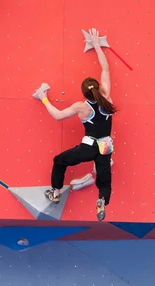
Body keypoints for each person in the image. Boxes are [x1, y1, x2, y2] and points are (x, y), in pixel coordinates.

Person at [33, 28, 116, 221]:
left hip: (88, 147)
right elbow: (105, 69)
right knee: (104, 176)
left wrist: (44, 99)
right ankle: (102, 200)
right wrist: (96, 44)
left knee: (59, 160)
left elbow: (58, 116)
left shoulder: (81, 107)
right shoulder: (107, 97)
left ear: (84, 93)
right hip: (105, 145)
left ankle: (55, 192)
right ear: (98, 88)